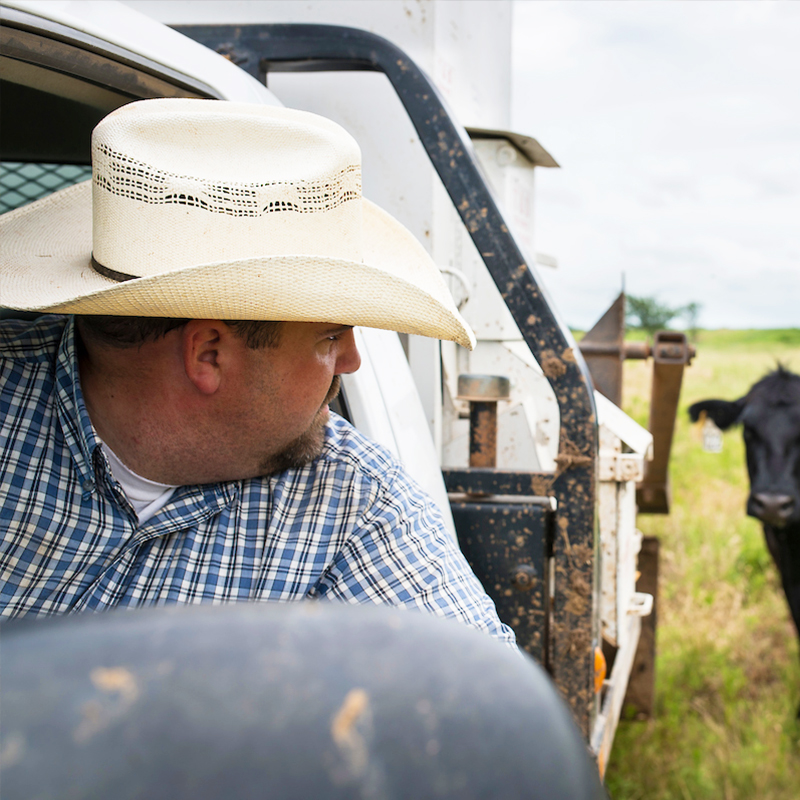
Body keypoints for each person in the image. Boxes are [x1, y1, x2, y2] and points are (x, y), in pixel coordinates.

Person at [0, 98, 515, 646]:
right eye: (330, 336)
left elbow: (488, 707)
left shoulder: (349, 500)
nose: (351, 360)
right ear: (209, 354)